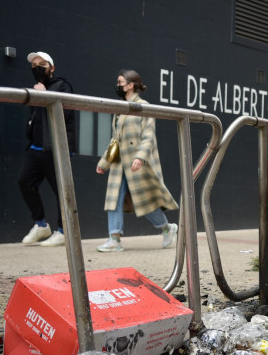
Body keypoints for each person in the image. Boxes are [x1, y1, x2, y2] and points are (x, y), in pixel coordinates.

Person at [95, 70, 178, 252]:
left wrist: (140, 157)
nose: (118, 85)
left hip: (136, 163)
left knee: (146, 202)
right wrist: (104, 163)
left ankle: (167, 228)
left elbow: (148, 136)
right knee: (113, 199)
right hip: (119, 164)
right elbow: (115, 139)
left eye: (120, 82)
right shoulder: (121, 108)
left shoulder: (143, 106)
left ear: (130, 85)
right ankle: (114, 239)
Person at [17, 51, 77, 246]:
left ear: (52, 67)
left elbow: (66, 112)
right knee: (24, 181)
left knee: (61, 190)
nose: (37, 67)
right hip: (36, 147)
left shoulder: (62, 85)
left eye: (42, 63)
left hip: (56, 147)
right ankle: (41, 225)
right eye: (34, 65)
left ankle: (63, 231)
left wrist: (44, 96)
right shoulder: (36, 88)